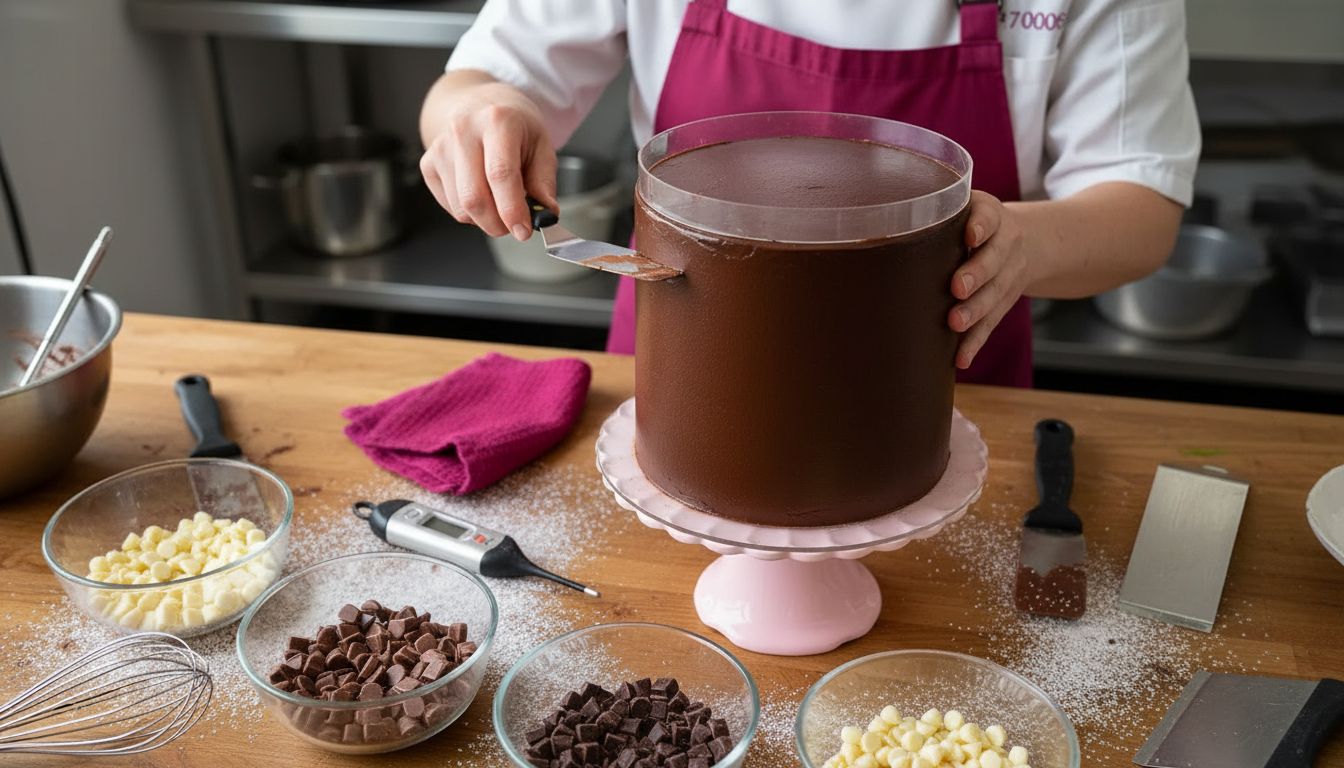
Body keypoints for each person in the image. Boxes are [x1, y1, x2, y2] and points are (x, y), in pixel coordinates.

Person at [419, 0, 1199, 387]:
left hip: (937, 391)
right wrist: (481, 113)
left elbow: (1140, 203)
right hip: (688, 373)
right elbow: (483, 81)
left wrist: (1020, 245)